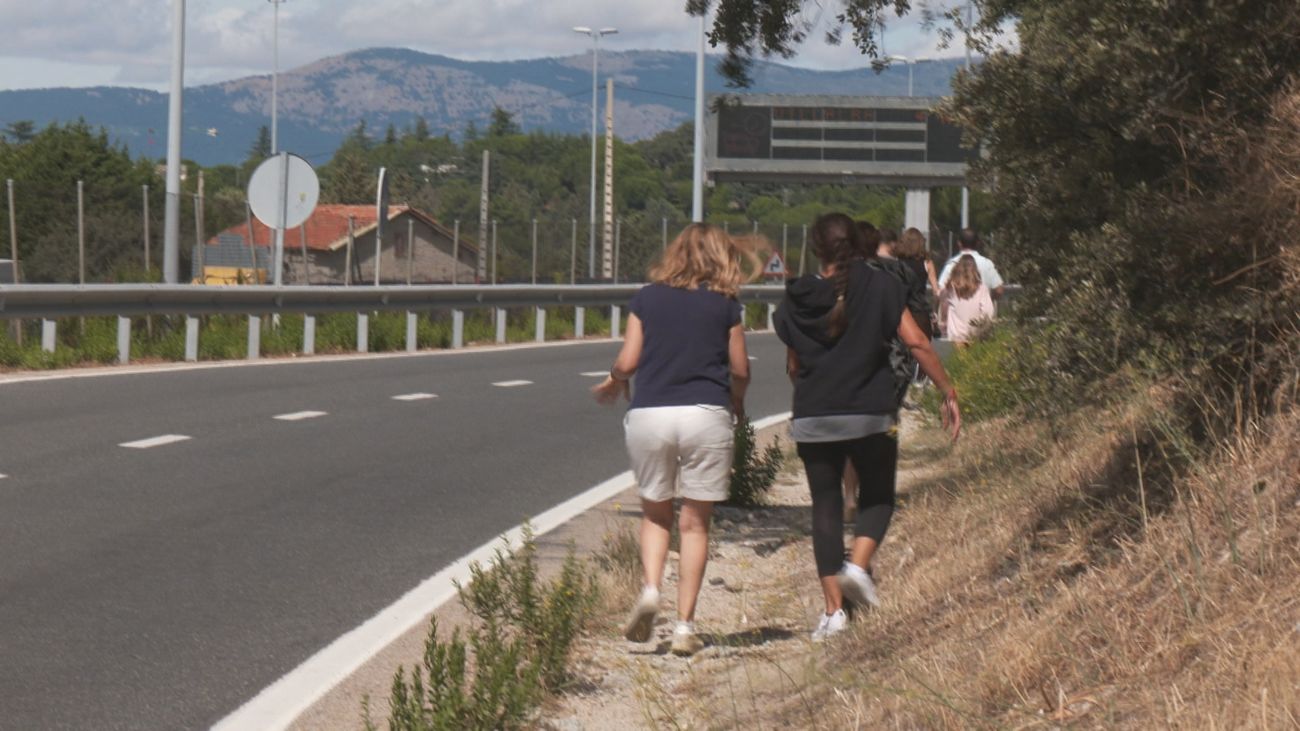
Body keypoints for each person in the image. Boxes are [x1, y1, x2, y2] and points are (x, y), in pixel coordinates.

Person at [775, 213, 960, 642]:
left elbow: (793, 365)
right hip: (870, 412)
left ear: (816, 248)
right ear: (858, 243)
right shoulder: (881, 285)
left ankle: (833, 613)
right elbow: (915, 341)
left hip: (813, 416)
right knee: (877, 496)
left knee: (824, 507)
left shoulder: (796, 297)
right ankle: (858, 566)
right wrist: (947, 389)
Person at [592, 223, 752, 657]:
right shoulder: (726, 306)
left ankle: (649, 589)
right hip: (705, 415)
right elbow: (740, 370)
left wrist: (614, 380)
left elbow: (629, 360)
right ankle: (684, 627)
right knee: (695, 523)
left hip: (651, 414)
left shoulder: (647, 297)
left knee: (656, 513)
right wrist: (736, 403)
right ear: (720, 256)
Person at [938, 254, 995, 346]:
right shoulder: (982, 289)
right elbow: (988, 313)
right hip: (975, 339)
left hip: (954, 340)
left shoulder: (950, 289)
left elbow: (944, 311)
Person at [938, 228, 1005, 301]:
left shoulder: (952, 264)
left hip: (957, 310)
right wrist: (988, 300)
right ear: (977, 243)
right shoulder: (987, 263)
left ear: (959, 243)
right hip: (982, 310)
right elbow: (999, 290)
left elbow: (941, 290)